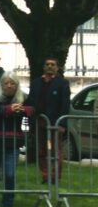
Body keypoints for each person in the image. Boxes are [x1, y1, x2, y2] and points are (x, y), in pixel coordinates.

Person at [0, 72, 31, 207]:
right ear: (2, 84)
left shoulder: (23, 97)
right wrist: (7, 110)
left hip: (13, 141)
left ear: (17, 85)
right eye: (6, 83)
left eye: (12, 83)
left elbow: (34, 109)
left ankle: (8, 203)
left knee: (10, 174)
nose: (9, 86)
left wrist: (22, 109)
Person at [26, 57, 71, 186]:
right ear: (43, 67)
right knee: (41, 150)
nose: (50, 66)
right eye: (47, 64)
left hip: (55, 124)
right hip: (39, 122)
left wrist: (62, 124)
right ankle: (45, 175)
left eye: (53, 64)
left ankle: (55, 176)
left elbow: (65, 105)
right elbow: (31, 100)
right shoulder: (35, 83)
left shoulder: (62, 83)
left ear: (57, 68)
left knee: (55, 151)